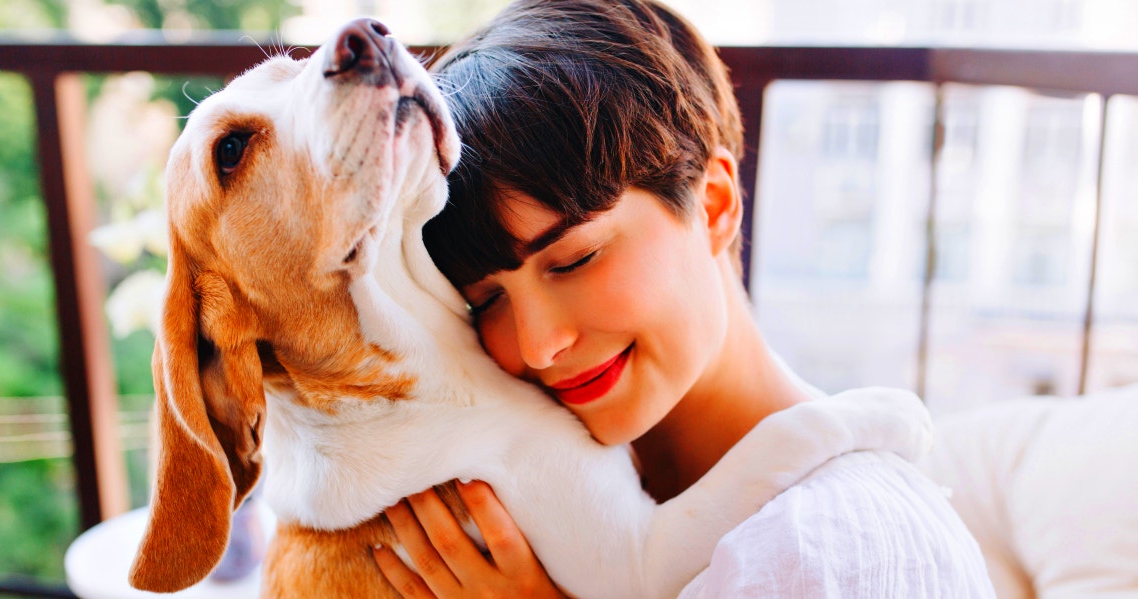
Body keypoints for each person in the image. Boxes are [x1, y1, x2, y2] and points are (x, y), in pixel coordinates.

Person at [372, 0, 995, 596]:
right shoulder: (511, 526)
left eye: (575, 259)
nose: (538, 346)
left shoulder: (837, 548)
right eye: (487, 301)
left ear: (715, 203)